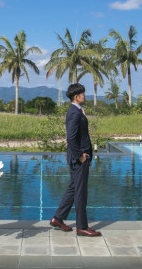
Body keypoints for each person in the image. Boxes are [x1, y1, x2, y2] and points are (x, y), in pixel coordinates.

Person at [50, 83, 102, 237]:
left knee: (74, 189)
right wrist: (81, 156)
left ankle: (58, 218)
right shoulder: (74, 113)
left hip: (82, 157)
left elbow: (83, 135)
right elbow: (71, 138)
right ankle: (82, 227)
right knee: (80, 193)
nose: (84, 96)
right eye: (82, 94)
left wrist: (89, 155)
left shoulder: (78, 111)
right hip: (79, 159)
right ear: (76, 96)